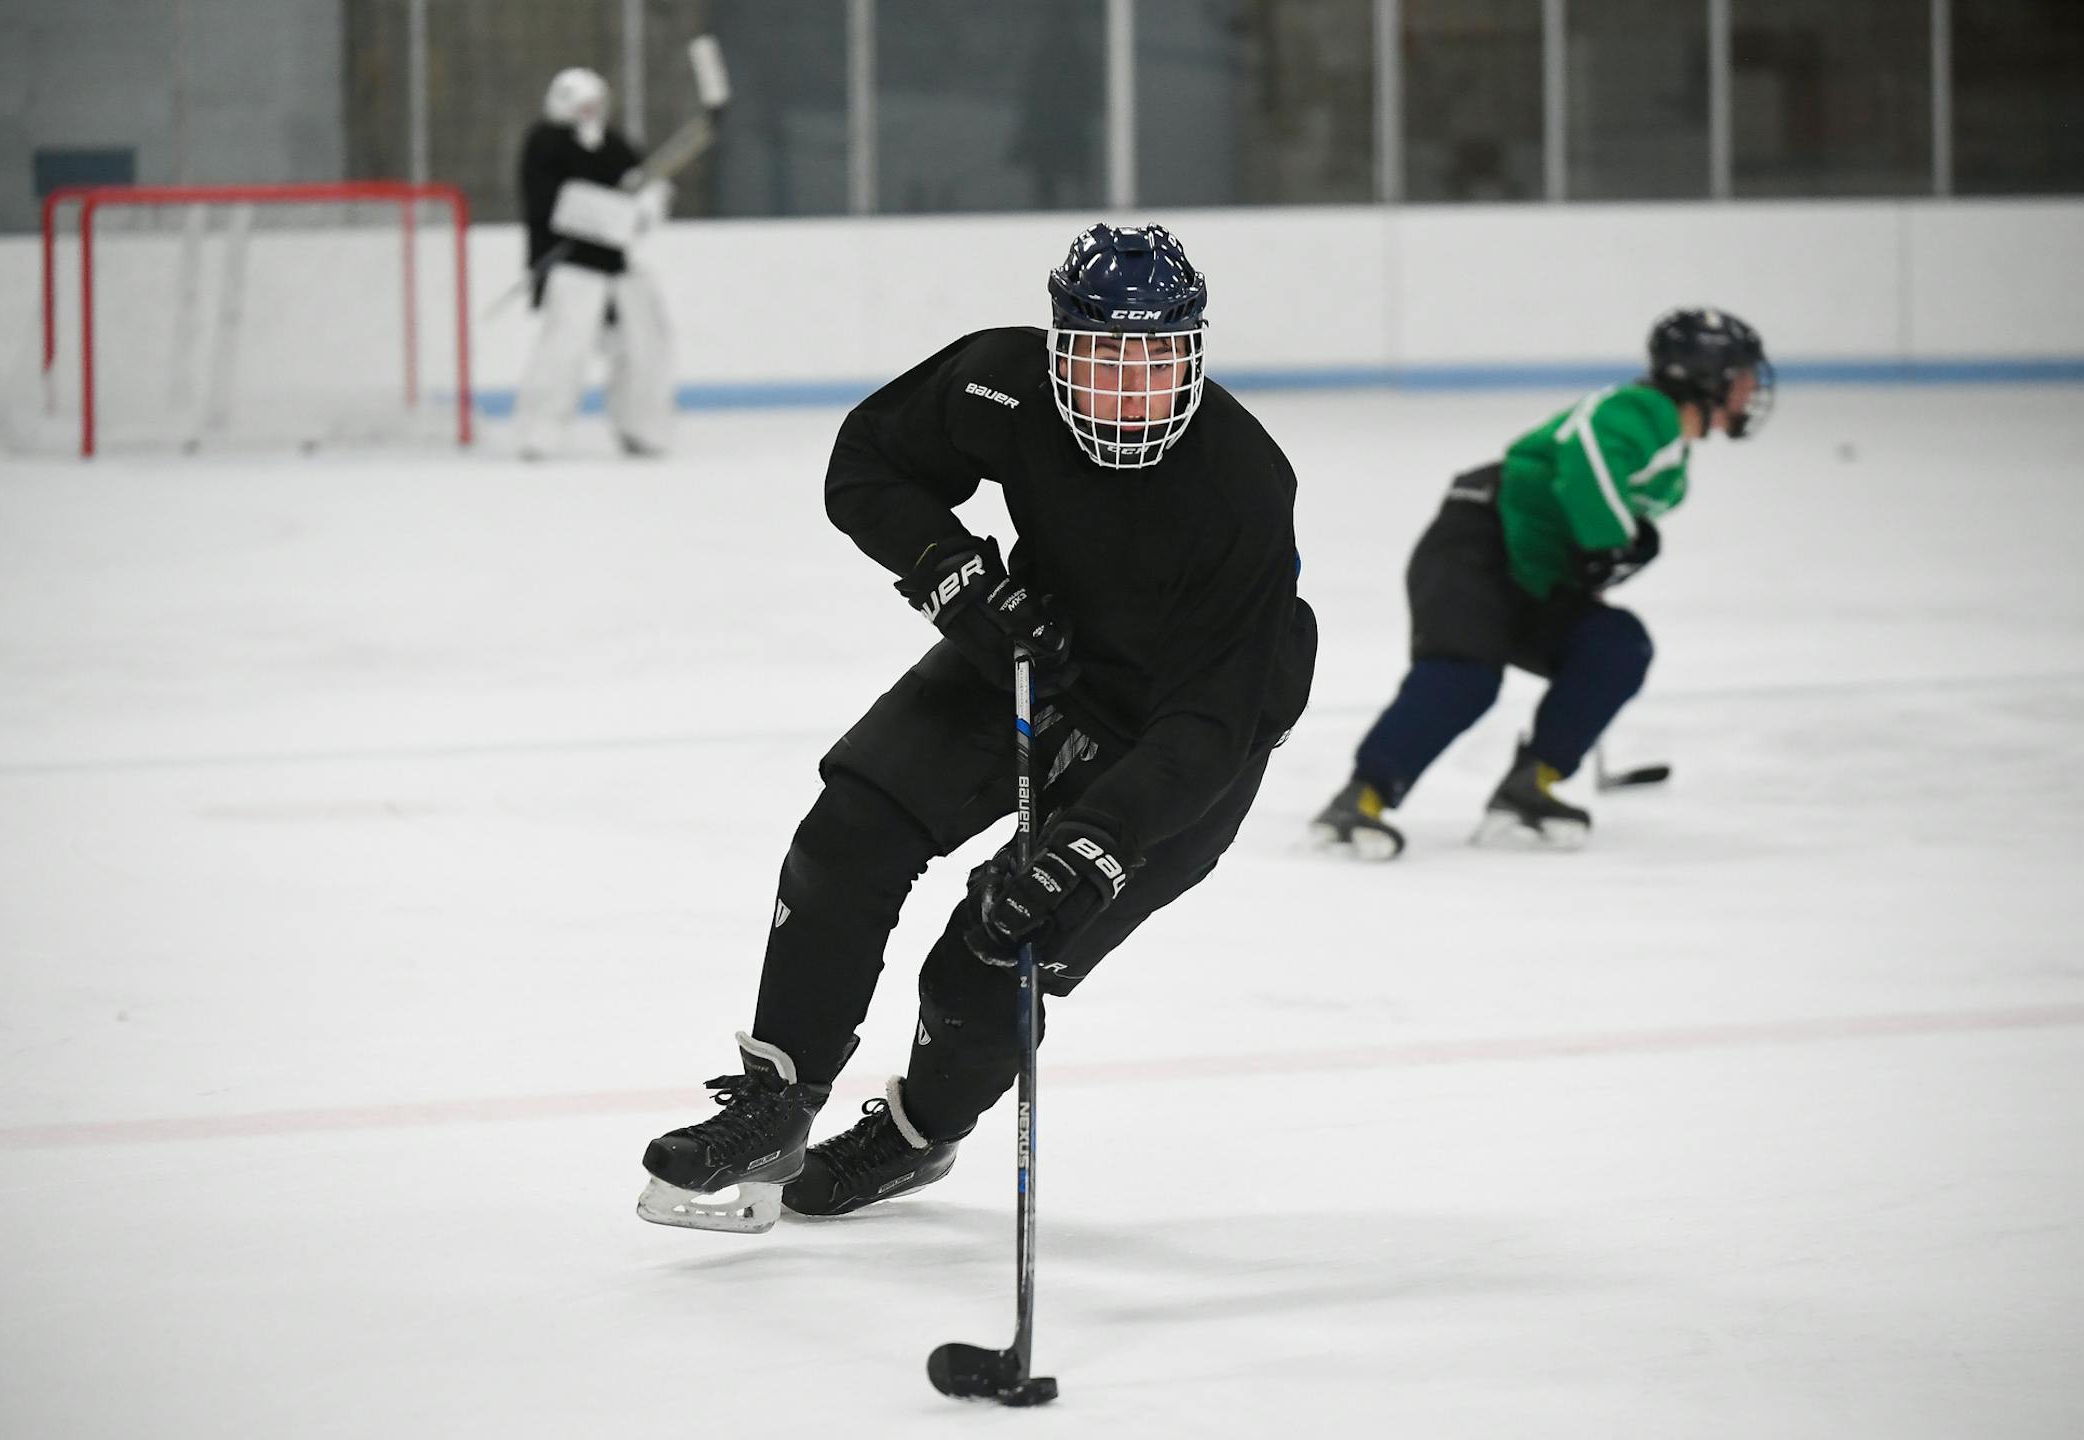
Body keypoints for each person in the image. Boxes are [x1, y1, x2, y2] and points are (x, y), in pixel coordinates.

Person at [636, 224, 1317, 1234]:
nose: (1132, 392)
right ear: (1058, 347)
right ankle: (776, 1104)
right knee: (852, 829)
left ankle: (915, 1135)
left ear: (1194, 353)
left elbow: (1213, 725)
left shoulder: (1243, 483)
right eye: (1104, 359)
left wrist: (1090, 846)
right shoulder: (1002, 384)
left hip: (1177, 746)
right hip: (1037, 656)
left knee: (995, 949)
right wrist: (956, 582)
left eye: (1157, 361)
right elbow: (867, 465)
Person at [1311, 308, 1772, 858]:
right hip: (1477, 543)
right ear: (1708, 375)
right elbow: (1585, 450)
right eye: (1743, 374)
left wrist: (1610, 549)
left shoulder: (1673, 460)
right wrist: (1610, 540)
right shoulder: (1640, 410)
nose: (1752, 388)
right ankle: (1358, 800)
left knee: (1615, 645)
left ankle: (1530, 785)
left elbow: (1596, 510)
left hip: (1534, 572)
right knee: (1465, 676)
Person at [515, 67, 676, 459]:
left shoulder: (614, 144)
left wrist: (650, 203)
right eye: (583, 105)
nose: (591, 112)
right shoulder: (545, 143)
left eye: (596, 104)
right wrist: (614, 213)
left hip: (616, 269)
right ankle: (538, 434)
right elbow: (553, 204)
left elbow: (643, 187)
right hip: (569, 267)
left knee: (640, 349)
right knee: (564, 353)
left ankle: (640, 428)